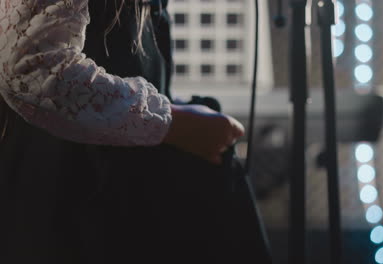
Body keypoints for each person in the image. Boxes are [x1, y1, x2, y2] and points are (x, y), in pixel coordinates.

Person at [0, 0, 272, 263]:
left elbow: (120, 57)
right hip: (68, 189)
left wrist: (180, 111)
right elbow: (32, 67)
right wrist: (174, 122)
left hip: (121, 185)